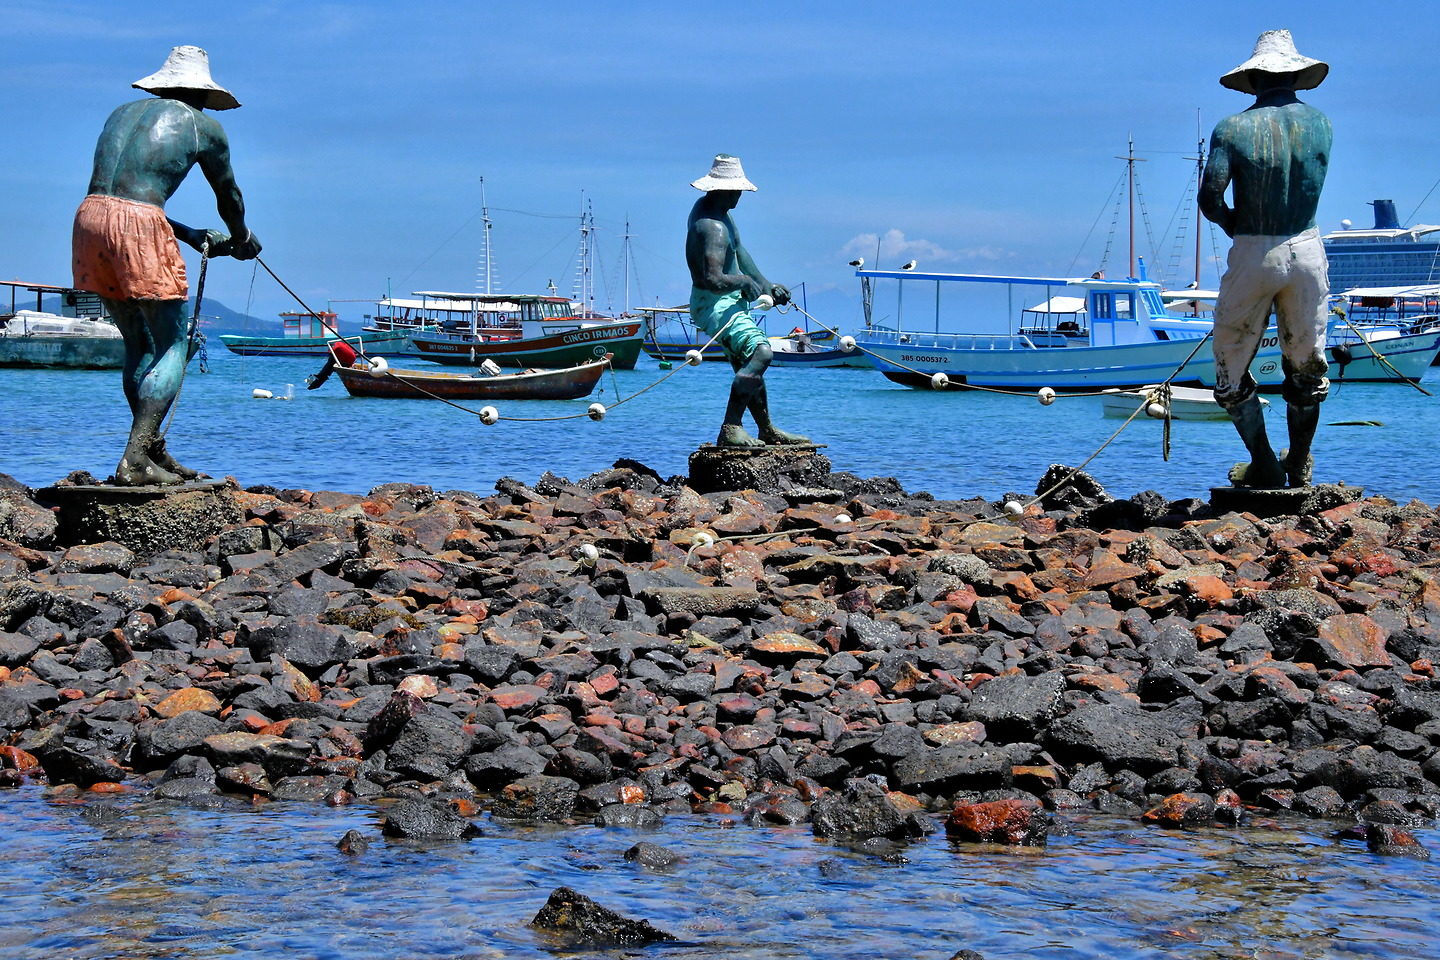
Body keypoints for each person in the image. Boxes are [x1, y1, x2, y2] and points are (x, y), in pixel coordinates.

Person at [72, 45, 261, 485]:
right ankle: (135, 461)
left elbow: (119, 196)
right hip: (137, 223)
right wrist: (241, 238)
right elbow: (228, 195)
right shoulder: (203, 127)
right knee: (175, 344)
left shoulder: (121, 114)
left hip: (89, 218)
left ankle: (152, 451)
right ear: (202, 91)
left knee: (138, 345)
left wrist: (191, 235)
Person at [1199, 30, 1332, 489]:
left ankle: (1266, 465)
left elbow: (1210, 197)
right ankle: (1298, 461)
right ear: (1296, 74)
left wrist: (1235, 225)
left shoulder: (1232, 129)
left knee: (1230, 364)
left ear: (1253, 78)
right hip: (1308, 246)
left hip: (1256, 247)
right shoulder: (1322, 124)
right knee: (1307, 363)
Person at [685, 155, 808, 447]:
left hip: (726, 299)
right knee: (762, 354)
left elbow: (739, 252)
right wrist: (743, 282)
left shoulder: (720, 213)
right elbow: (710, 280)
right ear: (723, 190)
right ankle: (731, 427)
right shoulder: (711, 227)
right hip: (714, 304)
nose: (740, 195)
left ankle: (766, 429)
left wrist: (767, 285)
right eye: (737, 190)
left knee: (747, 361)